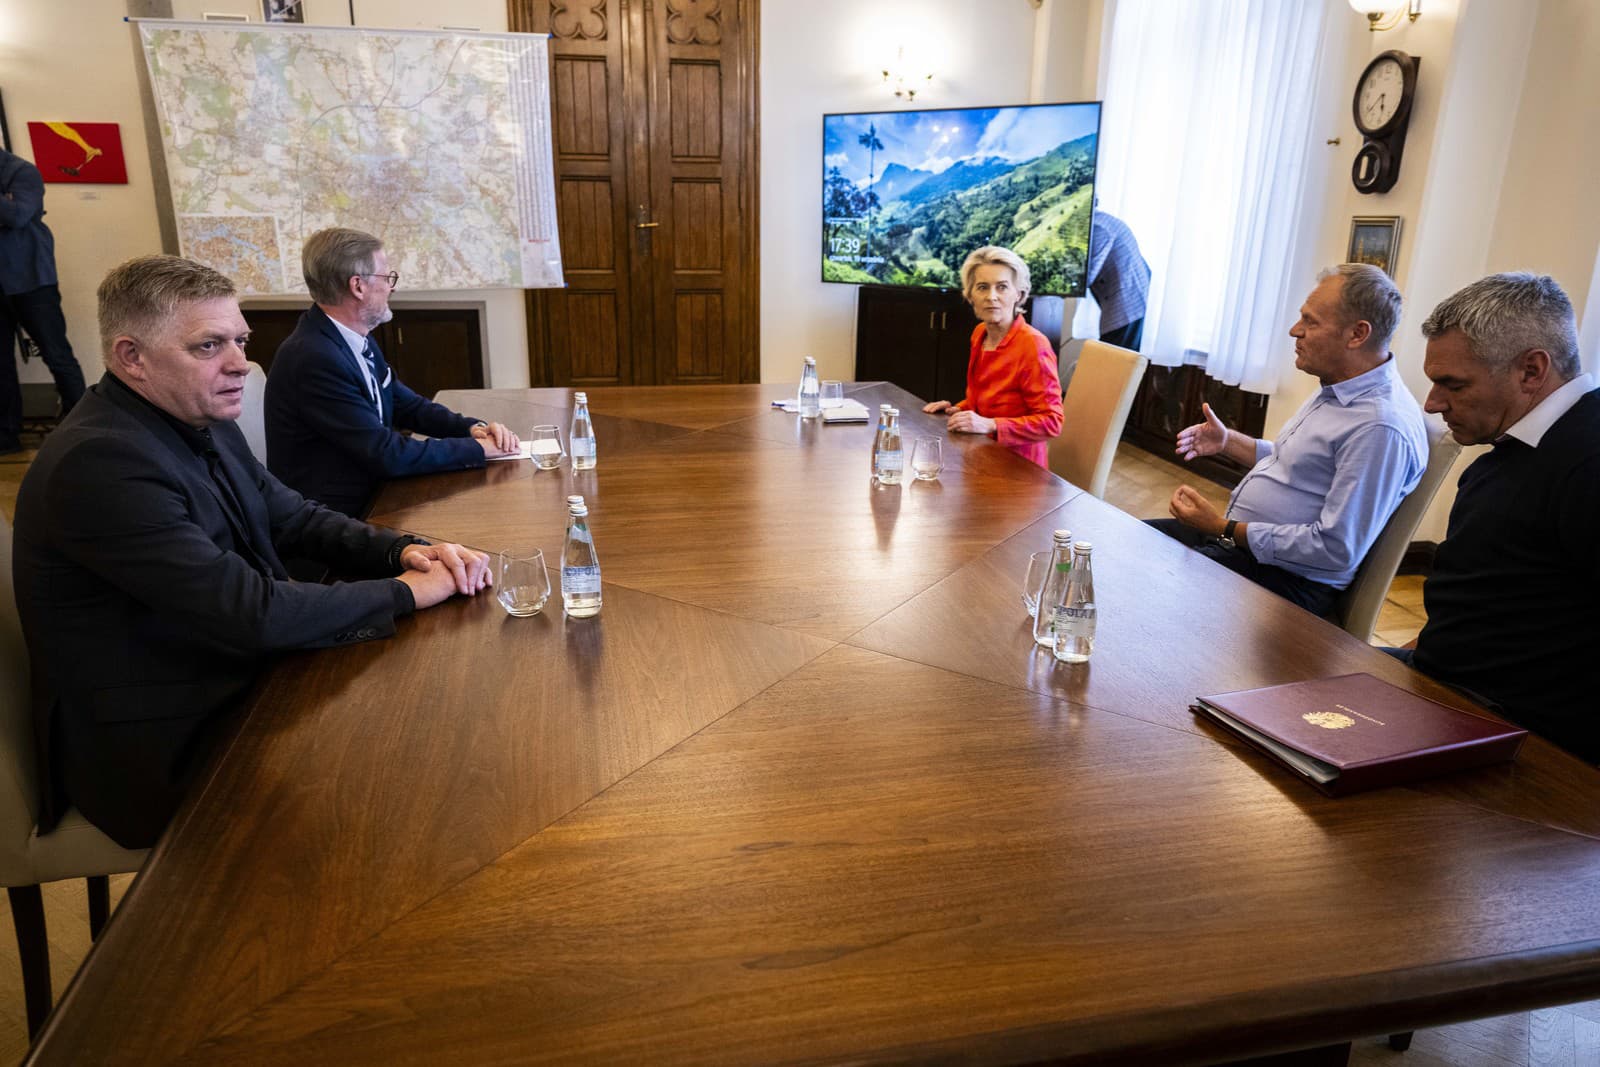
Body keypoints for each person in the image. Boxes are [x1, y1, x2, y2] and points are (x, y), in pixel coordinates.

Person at [12, 255, 494, 849]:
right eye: (209, 346)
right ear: (131, 357)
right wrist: (406, 593)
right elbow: (250, 612)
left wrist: (407, 551)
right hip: (162, 742)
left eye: (240, 340)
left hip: (227, 677)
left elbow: (292, 516)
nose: (241, 363)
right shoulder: (99, 464)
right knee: (399, 784)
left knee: (428, 724)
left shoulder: (196, 414)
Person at [1393, 273, 1598, 763]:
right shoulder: (1509, 454)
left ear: (1531, 370)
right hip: (1445, 689)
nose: (1432, 403)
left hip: (1513, 733)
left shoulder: (1589, 461)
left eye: (1453, 385)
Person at [1147, 263, 1427, 615]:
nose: (1295, 331)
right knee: (1124, 543)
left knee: (1144, 582)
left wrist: (1224, 527)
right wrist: (1227, 440)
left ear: (1357, 334)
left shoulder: (1380, 427)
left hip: (1286, 584)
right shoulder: (1338, 389)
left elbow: (1335, 549)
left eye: (1310, 322)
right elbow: (1292, 462)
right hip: (1247, 553)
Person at [265, 227, 519, 518]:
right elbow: (385, 453)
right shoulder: (313, 357)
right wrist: (476, 449)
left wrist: (472, 428)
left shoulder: (353, 336)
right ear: (358, 286)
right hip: (337, 517)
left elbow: (405, 404)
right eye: (387, 277)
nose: (392, 287)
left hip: (373, 492)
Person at [922, 245, 1063, 468]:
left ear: (1019, 294)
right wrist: (958, 409)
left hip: (1019, 469)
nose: (992, 297)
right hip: (980, 455)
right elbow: (989, 400)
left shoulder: (1033, 345)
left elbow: (1051, 422)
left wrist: (990, 425)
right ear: (970, 295)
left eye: (1002, 287)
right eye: (982, 287)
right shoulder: (980, 334)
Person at [0, 146, 87, 454]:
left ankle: (82, 428)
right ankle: (6, 437)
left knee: (57, 355)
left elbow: (18, 215)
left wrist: (9, 208)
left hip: (32, 283)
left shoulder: (22, 171)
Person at [1088, 210, 1151, 351]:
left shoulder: (1098, 228)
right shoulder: (1102, 221)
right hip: (1131, 301)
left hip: (1127, 305)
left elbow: (1086, 275)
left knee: (1114, 363)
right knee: (1115, 361)